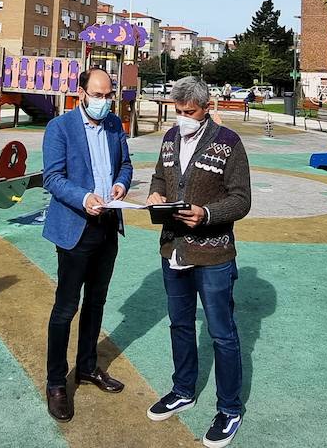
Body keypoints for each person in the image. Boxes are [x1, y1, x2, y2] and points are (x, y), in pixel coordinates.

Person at [146, 76, 252, 448]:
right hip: (173, 248)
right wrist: (156, 193)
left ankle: (230, 408)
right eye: (177, 111)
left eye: (189, 112)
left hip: (213, 253)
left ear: (207, 109)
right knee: (179, 324)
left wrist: (206, 214)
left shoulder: (229, 143)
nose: (182, 118)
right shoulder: (170, 138)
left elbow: (241, 200)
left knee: (222, 333)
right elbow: (160, 175)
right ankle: (183, 390)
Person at [41, 67, 133, 422]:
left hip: (108, 226)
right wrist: (84, 198)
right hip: (76, 228)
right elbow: (53, 178)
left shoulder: (113, 126)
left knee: (96, 302)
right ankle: (55, 383)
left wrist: (121, 186)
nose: (104, 101)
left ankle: (87, 367)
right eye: (97, 94)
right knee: (66, 308)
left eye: (108, 95)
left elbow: (125, 165)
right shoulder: (60, 128)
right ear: (81, 92)